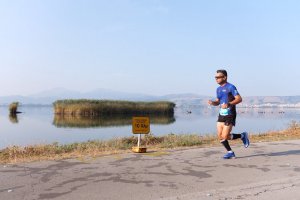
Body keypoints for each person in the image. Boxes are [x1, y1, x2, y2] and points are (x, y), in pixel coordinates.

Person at [208, 69, 249, 159]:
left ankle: (243, 135)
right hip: (221, 114)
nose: (216, 79)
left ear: (224, 77)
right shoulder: (218, 89)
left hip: (230, 113)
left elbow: (239, 99)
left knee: (225, 136)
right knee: (220, 136)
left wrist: (229, 104)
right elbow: (218, 102)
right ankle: (230, 152)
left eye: (218, 77)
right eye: (215, 77)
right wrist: (213, 103)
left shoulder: (231, 87)